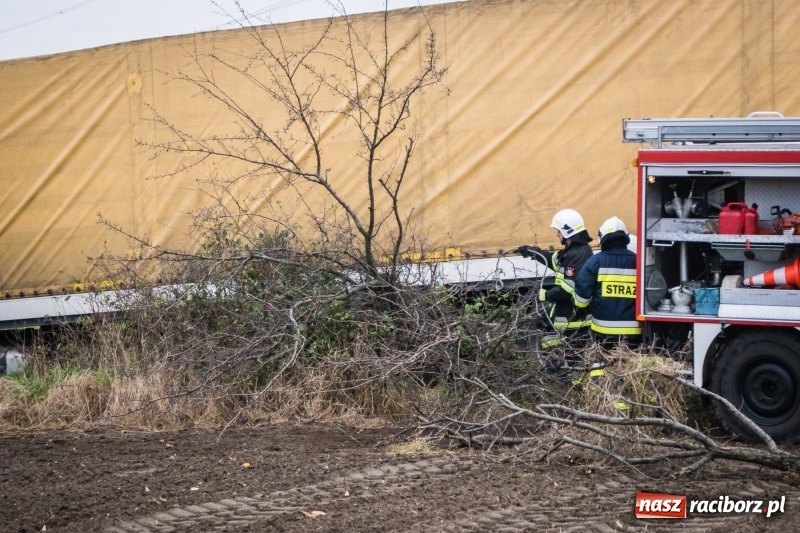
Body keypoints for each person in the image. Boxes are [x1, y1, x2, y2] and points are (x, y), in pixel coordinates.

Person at [518, 208, 594, 348]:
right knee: (551, 347)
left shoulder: (580, 253)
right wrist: (534, 252)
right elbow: (553, 261)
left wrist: (545, 294)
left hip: (575, 323)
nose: (557, 234)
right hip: (568, 319)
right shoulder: (571, 251)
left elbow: (568, 290)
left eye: (558, 231)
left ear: (567, 231)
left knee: (566, 353)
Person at [572, 216, 642, 347]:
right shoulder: (640, 262)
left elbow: (581, 300)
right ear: (626, 237)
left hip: (603, 335)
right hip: (634, 334)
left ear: (602, 238)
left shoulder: (595, 262)